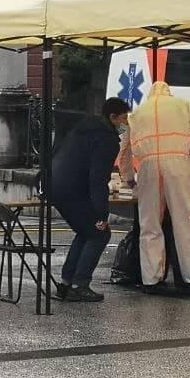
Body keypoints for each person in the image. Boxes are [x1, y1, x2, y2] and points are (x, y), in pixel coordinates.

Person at [118, 81, 190, 293]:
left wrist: (129, 178)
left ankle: (151, 280)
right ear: (169, 93)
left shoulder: (137, 114)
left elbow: (123, 150)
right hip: (178, 165)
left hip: (148, 167)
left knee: (149, 224)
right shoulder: (183, 105)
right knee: (186, 222)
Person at [51, 97, 129, 302]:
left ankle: (67, 283)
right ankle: (79, 285)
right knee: (99, 234)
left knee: (86, 231)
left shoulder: (86, 127)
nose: (126, 123)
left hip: (55, 183)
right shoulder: (106, 139)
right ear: (112, 117)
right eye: (124, 118)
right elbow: (98, 178)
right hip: (72, 188)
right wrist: (102, 214)